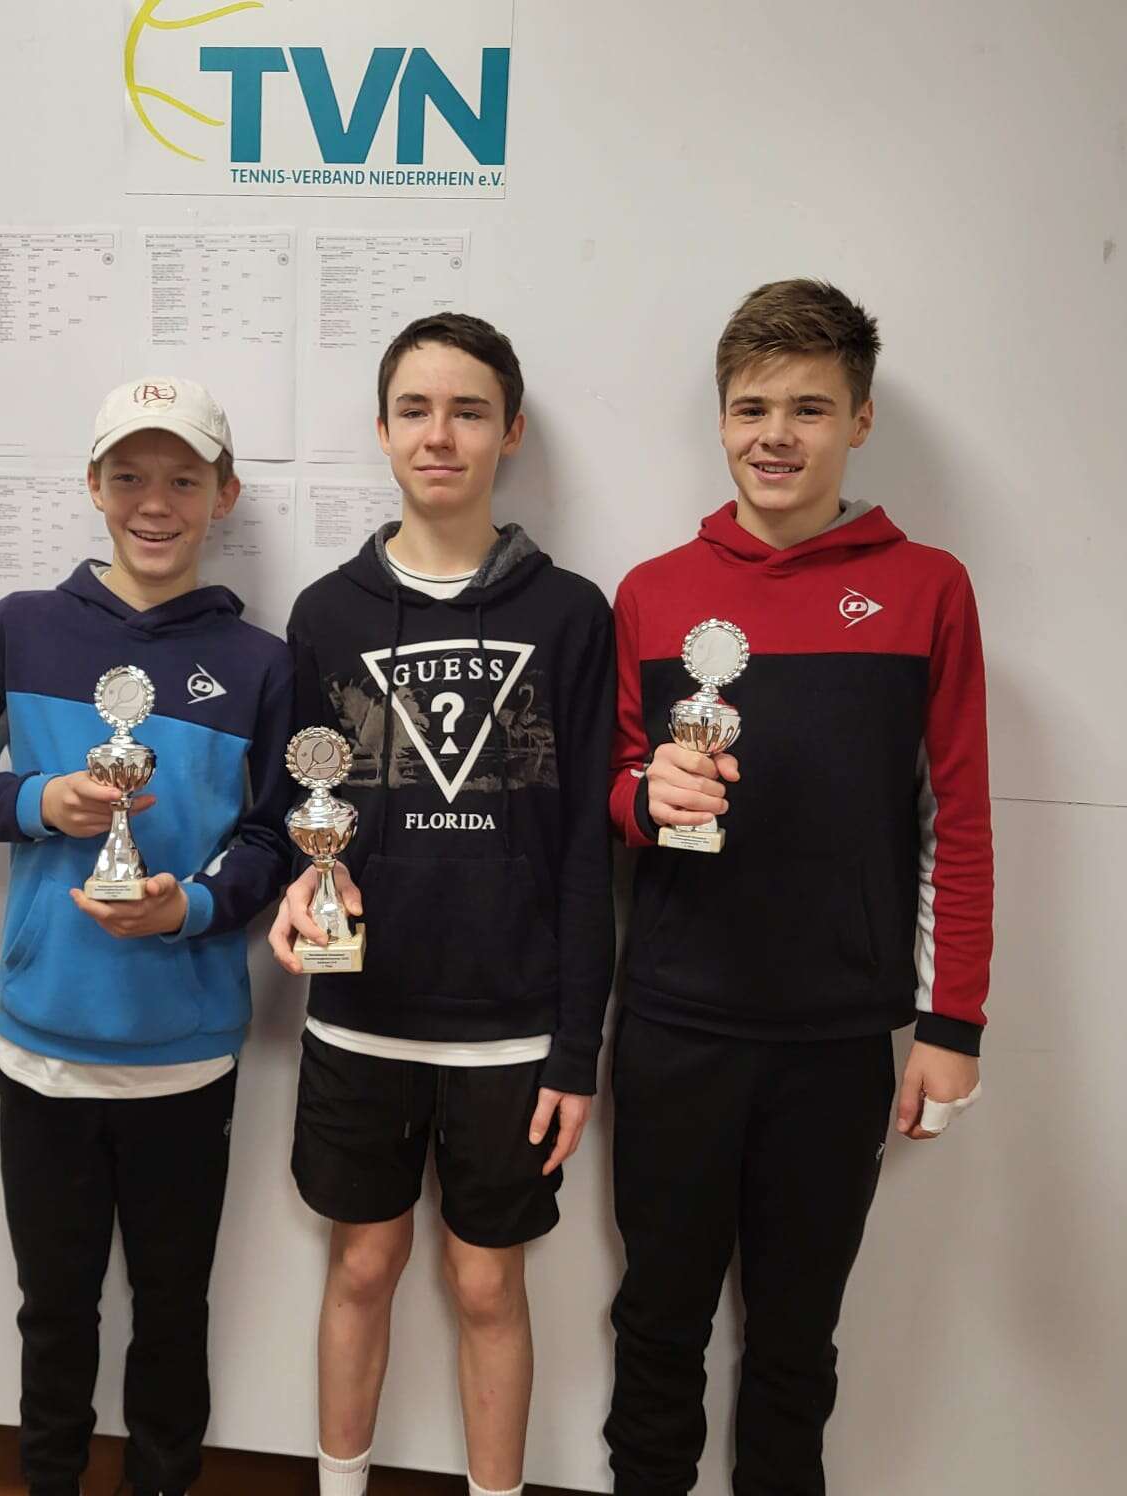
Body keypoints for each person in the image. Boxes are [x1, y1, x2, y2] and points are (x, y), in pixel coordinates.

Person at [605, 279, 992, 1495]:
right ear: (720, 419)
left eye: (808, 408)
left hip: (835, 1036)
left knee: (793, 1341)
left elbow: (956, 817)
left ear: (858, 419)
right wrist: (645, 797)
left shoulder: (926, 588)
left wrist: (951, 1022)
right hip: (673, 1023)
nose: (775, 435)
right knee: (656, 1320)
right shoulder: (651, 590)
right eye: (751, 407)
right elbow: (613, 785)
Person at [0, 376, 294, 1496]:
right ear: (93, 485)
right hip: (42, 1047)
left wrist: (194, 906)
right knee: (55, 1309)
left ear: (224, 495)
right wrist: (41, 800)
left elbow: (278, 836)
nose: (154, 501)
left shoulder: (261, 662)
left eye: (182, 478)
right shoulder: (19, 628)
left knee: (174, 1311)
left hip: (185, 1053)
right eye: (129, 475)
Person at [270, 313, 616, 1496]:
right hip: (359, 1015)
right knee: (361, 1266)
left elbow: (585, 847)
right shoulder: (325, 613)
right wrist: (297, 884)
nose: (439, 434)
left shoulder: (569, 614)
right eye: (414, 410)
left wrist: (574, 1044)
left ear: (508, 433)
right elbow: (298, 811)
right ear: (380, 430)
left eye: (468, 411)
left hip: (509, 1028)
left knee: (484, 1282)